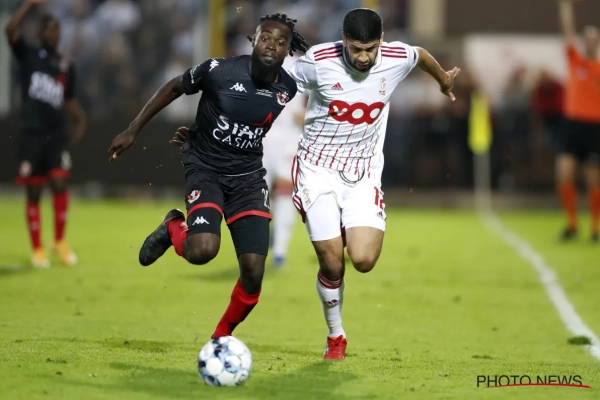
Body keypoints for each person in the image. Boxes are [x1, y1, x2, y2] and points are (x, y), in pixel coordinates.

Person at [108, 13, 309, 339]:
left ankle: (220, 339)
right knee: (202, 251)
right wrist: (133, 129)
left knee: (254, 272)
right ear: (253, 40)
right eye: (265, 38)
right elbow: (175, 86)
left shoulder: (288, 87)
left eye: (280, 41)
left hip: (248, 178)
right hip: (207, 170)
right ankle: (172, 225)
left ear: (288, 50)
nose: (272, 45)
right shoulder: (220, 70)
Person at [285, 8, 460, 359]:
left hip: (363, 174)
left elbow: (420, 55)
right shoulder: (318, 61)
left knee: (363, 260)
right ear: (344, 41)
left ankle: (343, 227)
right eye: (356, 49)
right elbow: (275, 82)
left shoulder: (395, 57)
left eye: (371, 49)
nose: (364, 57)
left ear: (381, 41)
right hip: (317, 170)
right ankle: (336, 335)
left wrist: (443, 80)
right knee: (332, 264)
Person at [5, 0, 87, 268]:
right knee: (34, 190)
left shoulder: (66, 64)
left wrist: (79, 118)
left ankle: (59, 241)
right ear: (41, 32)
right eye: (49, 30)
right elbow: (10, 30)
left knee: (60, 182)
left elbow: (67, 100)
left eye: (56, 30)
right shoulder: (28, 55)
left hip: (56, 133)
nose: (53, 34)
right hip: (31, 132)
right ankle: (37, 248)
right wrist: (29, 5)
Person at [556, 0, 600, 242]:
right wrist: (566, 7)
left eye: (594, 38)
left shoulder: (598, 69)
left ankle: (594, 228)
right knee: (564, 172)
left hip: (594, 126)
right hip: (572, 125)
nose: (590, 41)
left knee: (593, 178)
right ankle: (572, 225)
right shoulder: (576, 62)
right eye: (587, 38)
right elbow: (567, 32)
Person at [263, 54, 307, 267]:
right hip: (261, 137)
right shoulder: (256, 61)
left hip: (288, 139)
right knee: (258, 194)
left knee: (285, 191)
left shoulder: (303, 65)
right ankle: (265, 236)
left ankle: (280, 250)